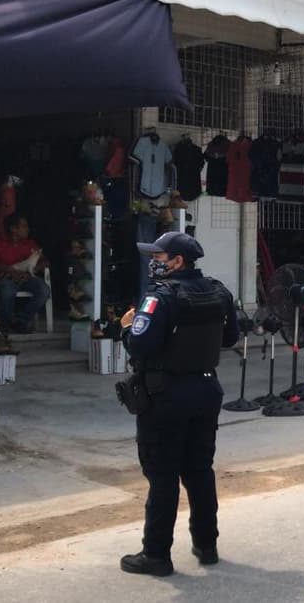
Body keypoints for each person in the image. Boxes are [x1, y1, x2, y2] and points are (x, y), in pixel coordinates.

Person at [118, 232, 239, 577]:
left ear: (177, 262)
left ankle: (155, 554)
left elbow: (140, 346)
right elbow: (230, 337)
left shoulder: (160, 298)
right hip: (205, 390)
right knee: (199, 470)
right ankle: (207, 544)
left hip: (166, 395)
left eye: (160, 256)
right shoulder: (219, 291)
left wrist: (127, 328)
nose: (154, 261)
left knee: (163, 475)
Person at [0, 213, 49, 333]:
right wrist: (10, 270)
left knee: (44, 290)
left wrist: (33, 271)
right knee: (7, 290)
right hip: (6, 277)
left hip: (26, 278)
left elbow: (45, 261)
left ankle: (21, 321)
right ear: (13, 229)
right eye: (24, 226)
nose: (27, 229)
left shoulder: (30, 243)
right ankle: (8, 323)